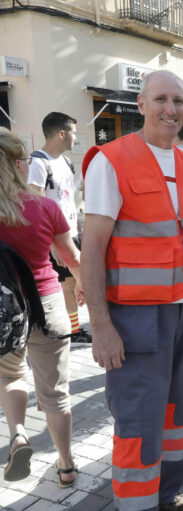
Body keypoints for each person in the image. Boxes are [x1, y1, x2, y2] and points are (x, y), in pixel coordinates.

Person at [81, 70, 183, 511]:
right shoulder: (111, 160)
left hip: (181, 316)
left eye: (178, 100)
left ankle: (167, 497)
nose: (170, 109)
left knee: (175, 415)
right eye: (160, 99)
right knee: (139, 421)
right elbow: (93, 249)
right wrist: (100, 327)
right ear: (141, 105)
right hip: (135, 319)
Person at [0, 128, 82, 487]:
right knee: (55, 393)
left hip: (4, 308)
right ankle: (66, 465)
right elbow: (72, 258)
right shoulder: (44, 207)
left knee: (10, 376)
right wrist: (83, 286)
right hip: (47, 302)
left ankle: (18, 434)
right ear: (19, 164)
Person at [27, 112, 89, 343]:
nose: (75, 138)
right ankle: (65, 329)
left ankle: (73, 329)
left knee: (73, 281)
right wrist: (53, 243)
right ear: (61, 133)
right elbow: (37, 205)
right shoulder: (37, 162)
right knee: (64, 283)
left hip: (70, 233)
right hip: (54, 239)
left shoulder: (66, 161)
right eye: (73, 132)